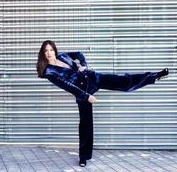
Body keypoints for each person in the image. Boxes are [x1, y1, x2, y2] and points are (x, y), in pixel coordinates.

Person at [36, 40, 169, 167]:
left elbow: (79, 54)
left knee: (122, 81)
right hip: (81, 91)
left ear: (54, 50)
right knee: (86, 124)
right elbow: (67, 85)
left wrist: (84, 65)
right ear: (43, 53)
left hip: (92, 78)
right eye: (46, 51)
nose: (49, 53)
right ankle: (83, 157)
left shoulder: (63, 56)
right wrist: (86, 96)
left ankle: (154, 76)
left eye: (51, 49)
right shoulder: (49, 71)